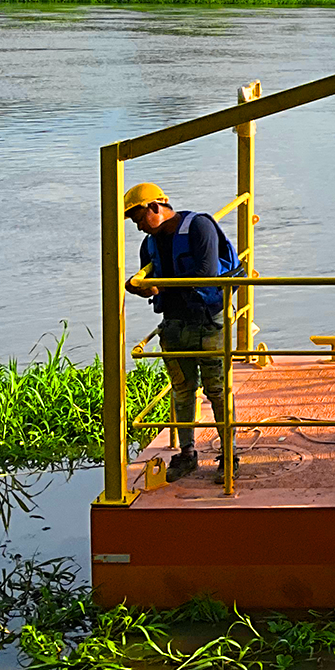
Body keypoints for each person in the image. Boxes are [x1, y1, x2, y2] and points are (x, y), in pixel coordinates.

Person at [122, 182, 240, 482]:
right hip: (173, 325)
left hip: (207, 322)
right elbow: (146, 280)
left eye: (139, 218)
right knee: (182, 390)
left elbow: (205, 274)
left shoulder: (200, 227)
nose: (138, 226)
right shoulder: (148, 245)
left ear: (156, 207)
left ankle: (229, 455)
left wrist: (158, 286)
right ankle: (187, 454)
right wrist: (135, 287)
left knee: (217, 390)